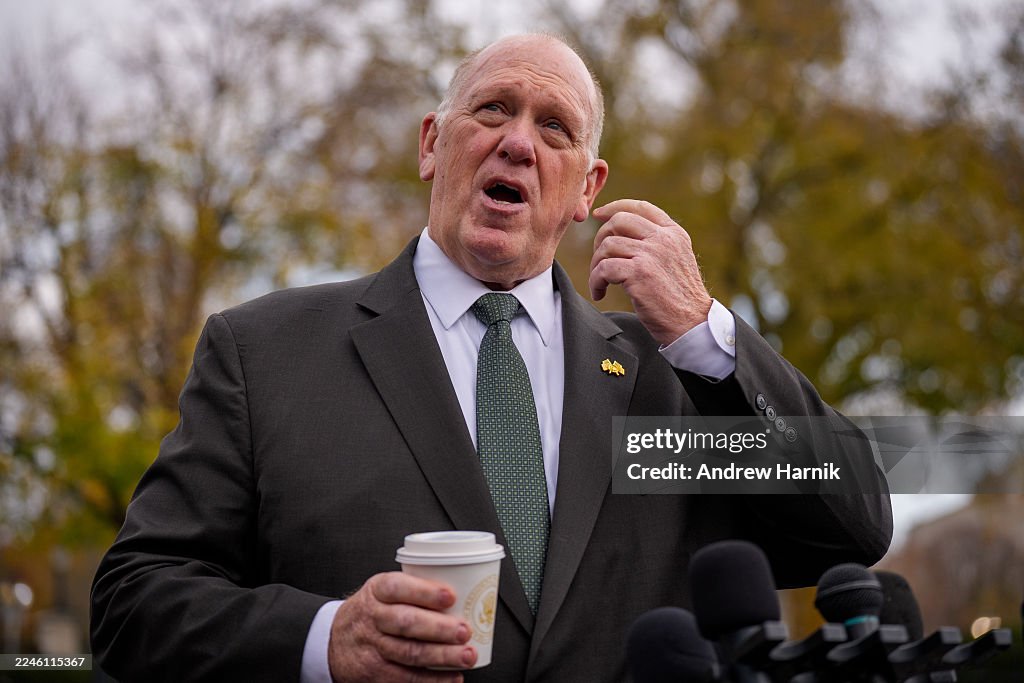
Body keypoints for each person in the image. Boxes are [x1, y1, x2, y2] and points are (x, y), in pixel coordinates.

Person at [90, 33, 892, 682]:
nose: (517, 141)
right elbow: (133, 603)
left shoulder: (668, 382)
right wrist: (325, 639)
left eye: (555, 128)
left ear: (587, 188)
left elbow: (853, 526)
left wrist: (703, 332)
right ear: (433, 145)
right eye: (494, 109)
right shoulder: (265, 353)